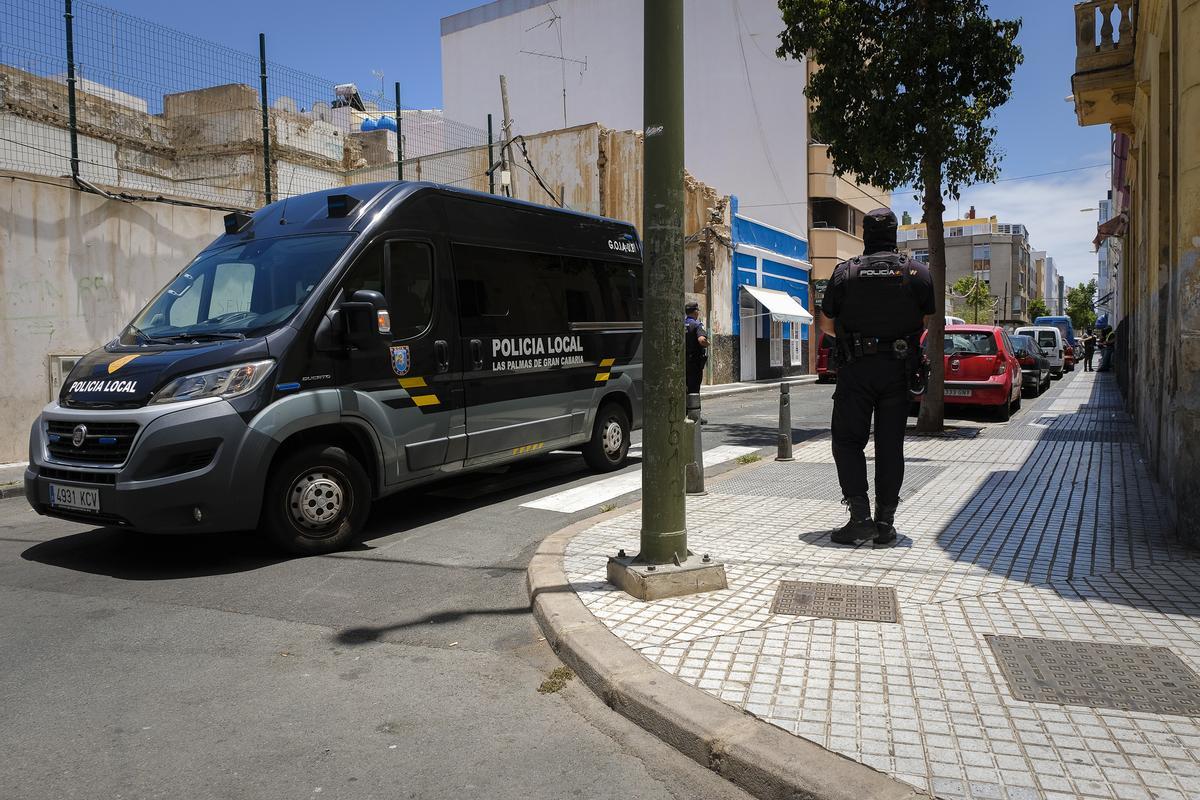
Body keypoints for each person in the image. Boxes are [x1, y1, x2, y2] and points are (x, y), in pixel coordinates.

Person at [820, 208, 935, 547]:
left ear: (865, 234)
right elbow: (926, 320)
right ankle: (885, 524)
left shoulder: (846, 273)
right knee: (890, 446)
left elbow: (826, 324)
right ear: (895, 234)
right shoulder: (918, 272)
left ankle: (859, 519)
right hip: (899, 369)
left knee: (847, 442)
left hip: (856, 369)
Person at [684, 301, 709, 397]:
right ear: (695, 312)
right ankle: (693, 410)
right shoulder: (697, 324)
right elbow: (702, 340)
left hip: (683, 362)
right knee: (693, 389)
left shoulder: (681, 323)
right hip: (694, 363)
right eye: (697, 311)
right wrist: (707, 344)